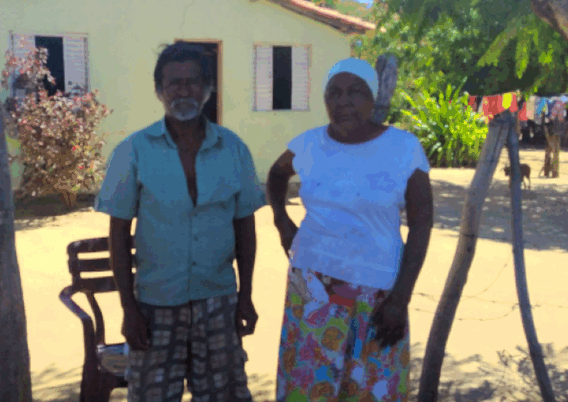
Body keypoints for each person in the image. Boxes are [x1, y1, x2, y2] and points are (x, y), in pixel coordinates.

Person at [94, 42, 266, 402]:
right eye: (174, 83)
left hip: (218, 300)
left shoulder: (234, 149)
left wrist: (246, 296)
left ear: (208, 89)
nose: (183, 90)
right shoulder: (134, 150)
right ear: (160, 90)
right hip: (155, 304)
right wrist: (128, 309)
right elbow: (118, 235)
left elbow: (245, 229)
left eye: (193, 81)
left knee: (225, 396)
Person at [266, 58, 434, 401]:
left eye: (355, 92)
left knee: (371, 389)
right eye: (334, 93)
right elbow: (276, 175)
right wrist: (281, 221)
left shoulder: (403, 148)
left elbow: (422, 224)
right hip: (311, 288)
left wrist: (401, 298)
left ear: (372, 98)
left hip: (378, 295)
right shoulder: (308, 144)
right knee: (308, 388)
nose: (343, 101)